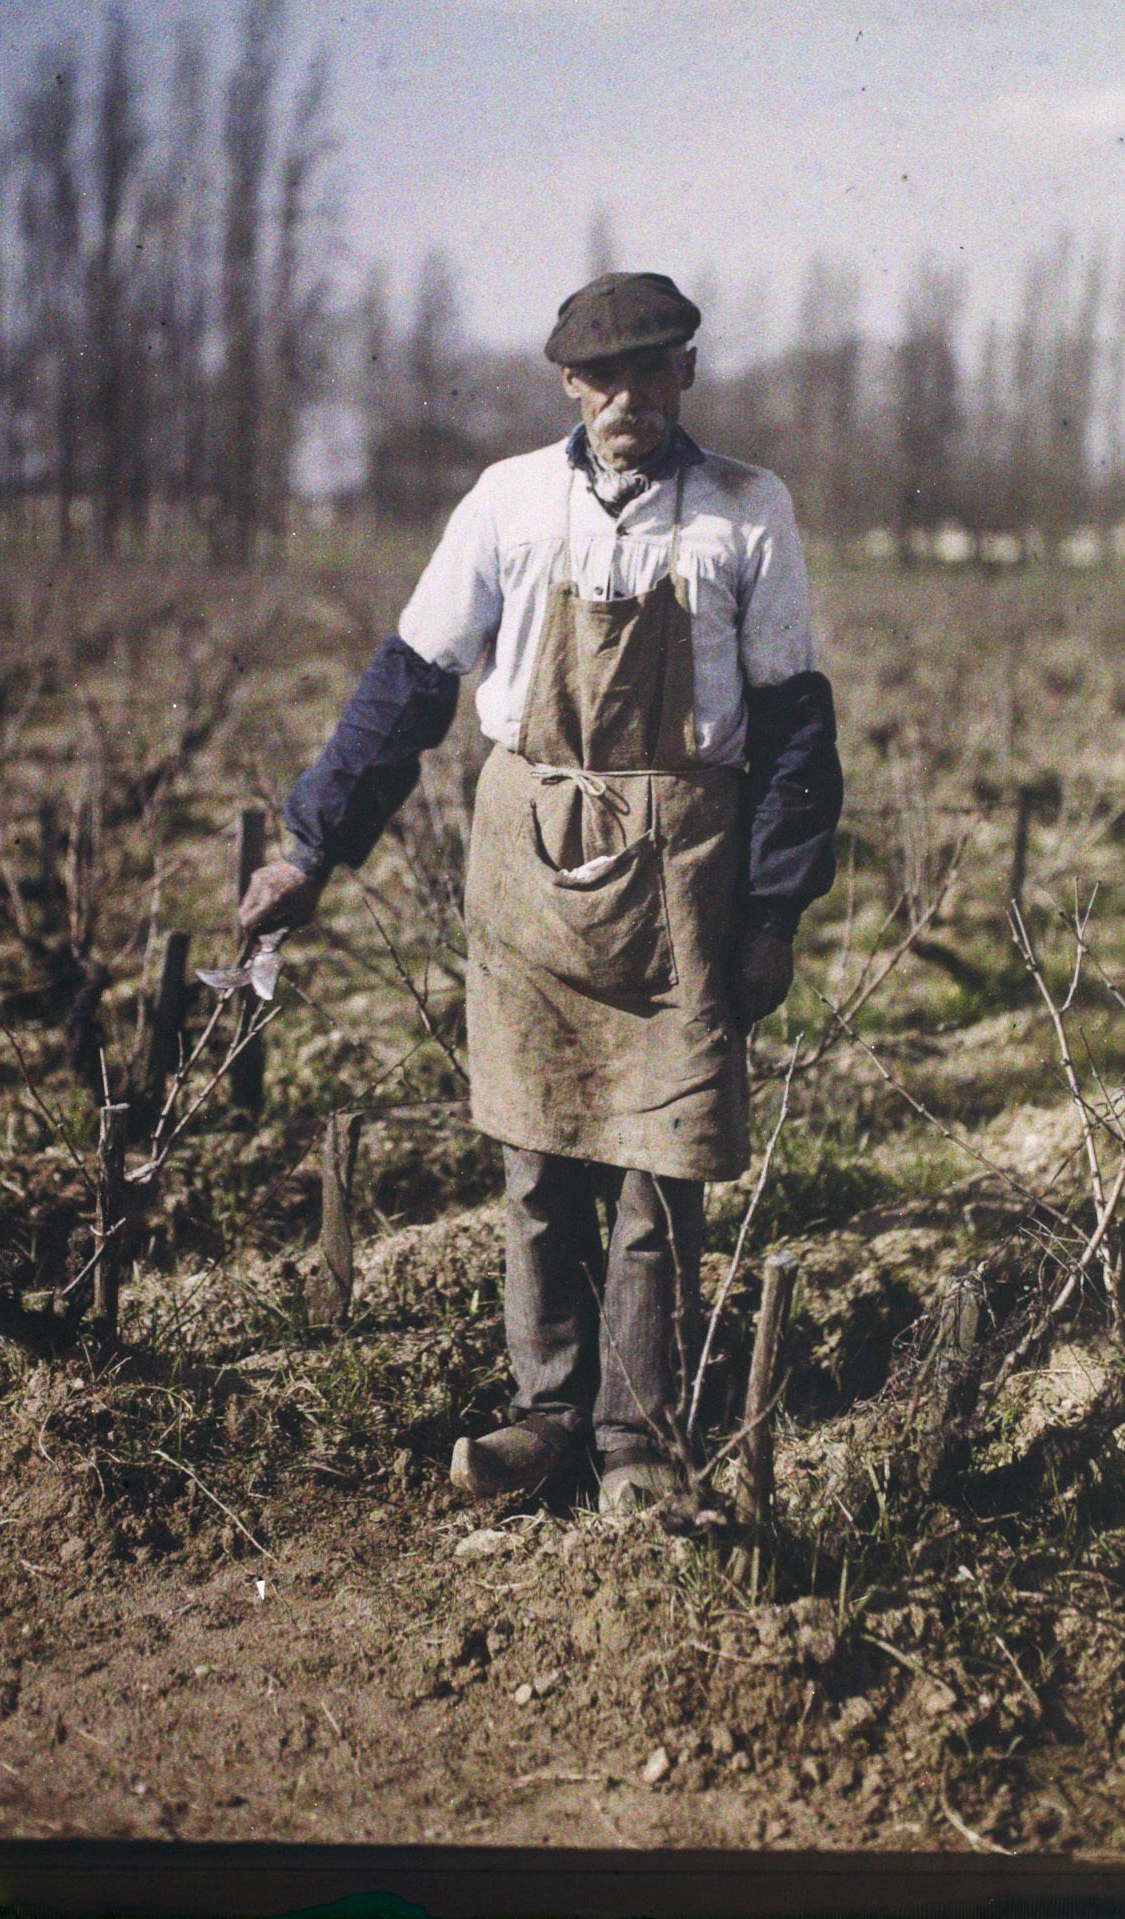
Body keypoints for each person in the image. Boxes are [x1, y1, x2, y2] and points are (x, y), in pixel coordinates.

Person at [238, 271, 844, 1512]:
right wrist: (310, 844)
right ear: (568, 382)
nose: (626, 396)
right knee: (538, 1162)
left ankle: (638, 1444)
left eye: (650, 368)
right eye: (601, 374)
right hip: (529, 867)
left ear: (687, 371)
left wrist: (774, 912)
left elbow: (793, 726)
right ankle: (546, 1417)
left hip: (685, 876)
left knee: (658, 1167)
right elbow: (409, 683)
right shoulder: (508, 502)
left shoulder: (744, 510)